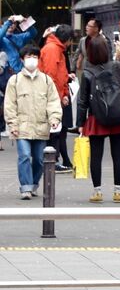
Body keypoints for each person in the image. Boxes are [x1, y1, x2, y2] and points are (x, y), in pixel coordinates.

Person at [77, 37, 120, 202]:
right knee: (118, 155)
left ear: (90, 53)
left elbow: (83, 100)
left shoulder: (87, 72)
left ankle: (98, 192)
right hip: (117, 115)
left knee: (96, 156)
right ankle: (117, 192)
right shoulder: (116, 67)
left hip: (96, 117)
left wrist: (80, 123)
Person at [4, 45, 62, 199]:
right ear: (22, 59)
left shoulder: (46, 80)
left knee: (39, 159)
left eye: (35, 57)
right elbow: (10, 105)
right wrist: (12, 124)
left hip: (41, 126)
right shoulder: (14, 81)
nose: (32, 60)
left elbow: (53, 101)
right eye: (29, 57)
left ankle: (34, 183)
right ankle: (26, 187)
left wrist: (54, 118)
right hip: (21, 127)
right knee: (24, 155)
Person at [39, 23, 75, 171]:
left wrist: (65, 93)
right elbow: (51, 76)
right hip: (51, 97)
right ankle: (51, 161)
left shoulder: (56, 48)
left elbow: (61, 75)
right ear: (67, 39)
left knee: (56, 131)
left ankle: (53, 160)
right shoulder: (53, 49)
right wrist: (58, 97)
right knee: (53, 131)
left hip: (56, 95)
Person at [0, 14, 38, 142]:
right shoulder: (2, 38)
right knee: (8, 100)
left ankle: (22, 124)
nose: (11, 27)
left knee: (22, 99)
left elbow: (33, 33)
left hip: (20, 72)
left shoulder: (19, 38)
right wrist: (8, 22)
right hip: (7, 73)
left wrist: (26, 22)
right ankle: (7, 125)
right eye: (9, 25)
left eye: (13, 25)